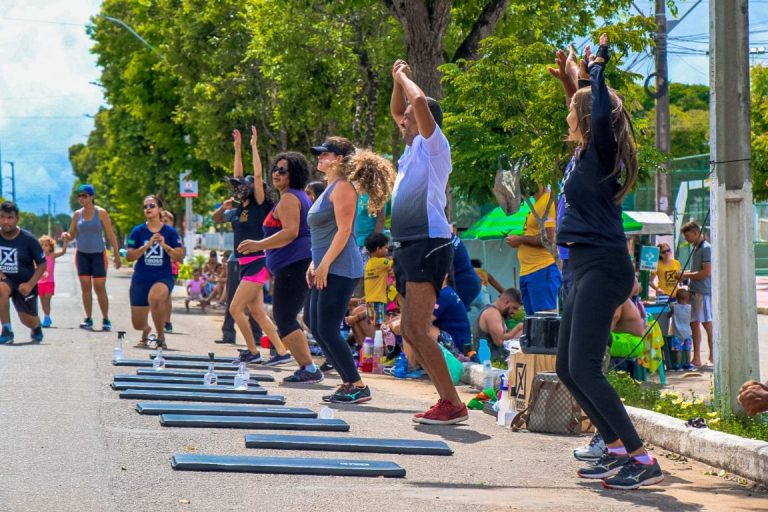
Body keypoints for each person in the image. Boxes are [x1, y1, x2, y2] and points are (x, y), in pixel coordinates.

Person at [554, 35, 663, 489]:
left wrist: (597, 69)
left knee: (585, 368)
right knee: (565, 367)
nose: (567, 115)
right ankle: (615, 447)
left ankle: (641, 460)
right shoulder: (584, 155)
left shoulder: (601, 153)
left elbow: (598, 113)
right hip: (583, 266)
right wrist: (574, 79)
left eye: (572, 110)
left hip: (603, 265)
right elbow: (586, 110)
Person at [389, 58, 467, 425]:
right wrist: (394, 82)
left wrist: (405, 76)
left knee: (418, 328)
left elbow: (418, 105)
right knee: (408, 329)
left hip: (427, 242)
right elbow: (399, 109)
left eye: (407, 116)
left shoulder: (435, 146)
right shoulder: (410, 152)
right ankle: (446, 401)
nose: (401, 119)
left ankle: (452, 402)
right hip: (406, 243)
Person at [306, 137, 395, 404]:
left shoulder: (343, 187)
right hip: (326, 265)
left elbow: (345, 231)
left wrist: (324, 265)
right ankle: (347, 382)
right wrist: (314, 263)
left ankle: (356, 384)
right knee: (314, 323)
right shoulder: (329, 187)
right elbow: (324, 233)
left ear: (340, 159)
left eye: (325, 154)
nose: (320, 157)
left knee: (328, 327)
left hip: (341, 267)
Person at [238, 151, 318, 383]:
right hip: (291, 264)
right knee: (285, 316)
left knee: (284, 317)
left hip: (294, 264)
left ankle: (309, 368)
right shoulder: (296, 196)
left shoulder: (291, 198)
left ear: (295, 174)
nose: (276, 173)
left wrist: (258, 245)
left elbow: (290, 232)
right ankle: (308, 366)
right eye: (275, 168)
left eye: (283, 170)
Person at [214, 127, 290, 366]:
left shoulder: (259, 203)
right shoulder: (240, 208)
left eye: (243, 186)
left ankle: (253, 351)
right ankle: (281, 351)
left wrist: (253, 146)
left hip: (257, 262)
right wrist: (237, 148)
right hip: (246, 264)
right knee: (256, 312)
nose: (239, 188)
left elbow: (256, 177)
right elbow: (239, 177)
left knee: (236, 309)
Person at [126, 195, 184, 348]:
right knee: (137, 324)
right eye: (145, 207)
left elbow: (180, 255)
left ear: (160, 209)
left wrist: (165, 246)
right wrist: (147, 246)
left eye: (151, 206)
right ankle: (146, 330)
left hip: (163, 276)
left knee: (156, 298)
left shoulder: (170, 232)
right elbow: (129, 256)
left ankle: (160, 337)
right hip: (141, 277)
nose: (148, 209)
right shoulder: (138, 231)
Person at [62, 184, 121, 331]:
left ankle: (106, 318)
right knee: (85, 287)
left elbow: (110, 234)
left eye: (85, 195)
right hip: (82, 254)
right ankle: (88, 318)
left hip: (98, 255)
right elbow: (72, 234)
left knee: (99, 287)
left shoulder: (101, 213)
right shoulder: (77, 214)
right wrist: (66, 235)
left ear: (92, 197)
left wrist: (117, 255)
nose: (81, 198)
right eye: (79, 196)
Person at [505, 184, 561, 314]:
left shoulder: (547, 201)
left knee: (545, 319)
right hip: (527, 272)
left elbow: (549, 238)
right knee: (532, 322)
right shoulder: (536, 204)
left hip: (541, 269)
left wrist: (520, 240)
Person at [0, 202, 47, 344]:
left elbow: (42, 264)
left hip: (25, 284)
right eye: (2, 217)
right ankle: (6, 330)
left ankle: (36, 327)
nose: (6, 221)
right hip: (6, 280)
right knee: (1, 289)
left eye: (10, 217)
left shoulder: (28, 239)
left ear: (17, 219)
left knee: (26, 319)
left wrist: (30, 284)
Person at [681, 221, 712, 368]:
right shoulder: (695, 248)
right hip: (693, 291)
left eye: (687, 235)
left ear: (695, 233)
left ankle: (712, 356)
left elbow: (706, 272)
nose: (686, 239)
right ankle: (697, 358)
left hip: (703, 291)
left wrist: (686, 276)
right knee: (694, 324)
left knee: (707, 324)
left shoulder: (706, 248)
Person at [475, 288, 524, 359]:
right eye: (514, 308)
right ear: (506, 302)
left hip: (497, 359)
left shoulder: (497, 312)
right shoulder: (492, 313)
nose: (515, 312)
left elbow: (505, 337)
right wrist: (517, 329)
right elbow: (500, 342)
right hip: (492, 363)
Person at [37, 235, 68, 328]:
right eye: (42, 245)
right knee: (42, 302)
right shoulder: (38, 256)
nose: (43, 247)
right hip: (39, 283)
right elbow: (34, 267)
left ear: (50, 246)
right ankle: (46, 316)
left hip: (49, 282)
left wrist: (65, 242)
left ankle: (47, 317)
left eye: (46, 245)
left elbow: (63, 252)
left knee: (47, 301)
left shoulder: (52, 255)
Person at [160, 210, 183, 333]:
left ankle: (167, 322)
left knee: (166, 296)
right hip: (157, 269)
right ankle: (160, 321)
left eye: (166, 221)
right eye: (162, 221)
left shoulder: (174, 236)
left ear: (171, 223)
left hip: (171, 270)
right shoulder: (155, 234)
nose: (164, 223)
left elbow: (178, 255)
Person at [668, 288, 693, 371]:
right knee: (687, 349)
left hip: (677, 333)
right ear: (687, 298)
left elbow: (668, 316)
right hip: (687, 332)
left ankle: (678, 365)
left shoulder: (674, 307)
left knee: (678, 349)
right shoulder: (690, 307)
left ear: (677, 298)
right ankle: (688, 364)